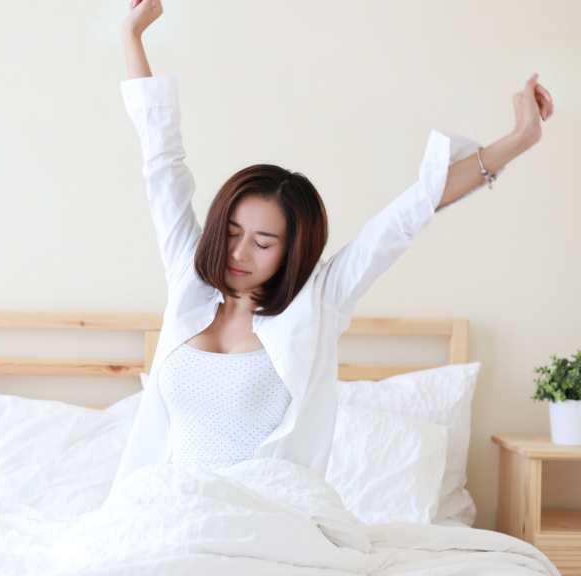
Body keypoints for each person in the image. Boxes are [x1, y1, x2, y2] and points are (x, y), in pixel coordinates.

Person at [113, 0, 554, 487]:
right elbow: (161, 160)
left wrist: (518, 138)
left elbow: (404, 218)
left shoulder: (318, 300)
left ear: (292, 250)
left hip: (266, 515)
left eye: (263, 242)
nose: (239, 253)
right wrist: (132, 36)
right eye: (233, 233)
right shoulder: (189, 279)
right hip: (167, 507)